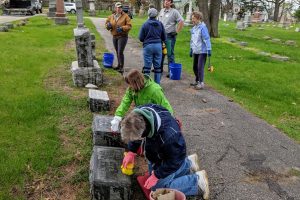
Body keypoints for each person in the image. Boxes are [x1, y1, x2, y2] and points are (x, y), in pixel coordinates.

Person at [120, 104, 210, 199]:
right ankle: (189, 164)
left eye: (137, 138)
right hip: (157, 152)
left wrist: (157, 175)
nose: (136, 140)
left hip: (170, 155)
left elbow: (175, 158)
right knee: (155, 179)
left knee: (157, 189)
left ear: (144, 132)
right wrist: (131, 152)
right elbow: (135, 135)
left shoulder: (170, 136)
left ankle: (197, 182)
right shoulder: (139, 114)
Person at [139, 8, 166, 84]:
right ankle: (157, 85)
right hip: (158, 46)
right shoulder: (160, 24)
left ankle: (146, 85)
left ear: (149, 15)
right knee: (158, 67)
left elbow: (141, 38)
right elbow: (164, 37)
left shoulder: (145, 24)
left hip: (148, 46)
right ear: (156, 15)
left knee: (147, 67)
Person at [158, 0, 184, 77]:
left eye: (168, 1)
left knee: (169, 53)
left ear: (171, 3)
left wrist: (177, 31)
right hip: (161, 36)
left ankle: (171, 71)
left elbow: (181, 21)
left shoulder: (174, 12)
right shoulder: (162, 11)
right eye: (165, 1)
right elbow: (158, 21)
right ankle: (159, 68)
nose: (166, 2)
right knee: (161, 52)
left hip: (169, 36)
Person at [105, 2, 132, 74]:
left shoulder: (126, 16)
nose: (118, 9)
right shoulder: (111, 16)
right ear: (115, 8)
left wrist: (122, 28)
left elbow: (129, 26)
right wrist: (108, 26)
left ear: (121, 8)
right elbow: (106, 23)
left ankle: (121, 67)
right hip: (114, 36)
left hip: (122, 36)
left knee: (120, 52)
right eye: (117, 7)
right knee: (117, 51)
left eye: (120, 7)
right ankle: (118, 65)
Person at [189, 11, 212, 90]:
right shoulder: (194, 28)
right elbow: (192, 40)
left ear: (198, 18)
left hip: (202, 51)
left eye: (194, 18)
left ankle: (201, 83)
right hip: (196, 51)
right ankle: (197, 80)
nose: (192, 20)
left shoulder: (203, 28)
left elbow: (206, 39)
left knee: (200, 67)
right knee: (194, 67)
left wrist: (209, 49)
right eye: (192, 18)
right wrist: (191, 49)